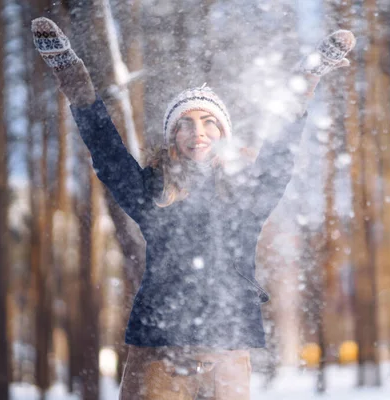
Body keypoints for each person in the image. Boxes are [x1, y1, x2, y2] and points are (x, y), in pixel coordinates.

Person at [31, 17, 355, 400]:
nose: (197, 131)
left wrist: (309, 76)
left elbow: (281, 151)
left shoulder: (246, 197)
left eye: (208, 122)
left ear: (223, 135)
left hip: (228, 351)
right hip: (156, 354)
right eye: (184, 124)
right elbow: (107, 151)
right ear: (171, 141)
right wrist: (73, 76)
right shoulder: (151, 195)